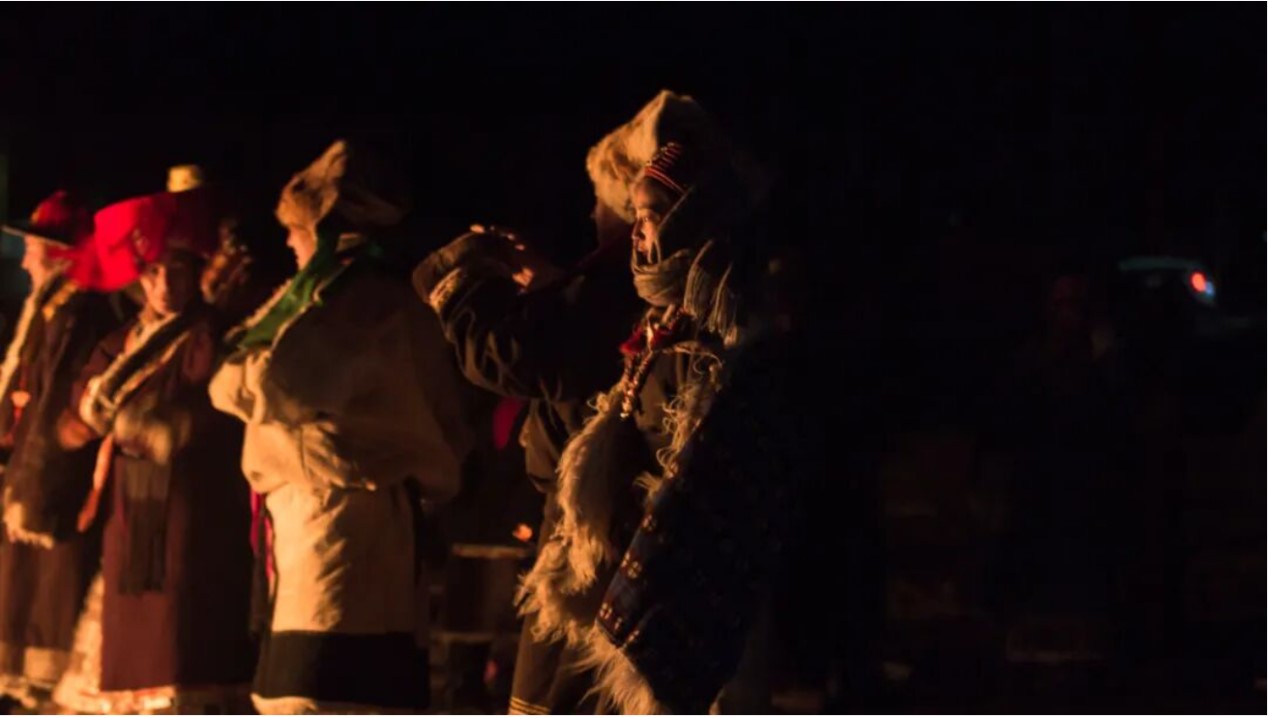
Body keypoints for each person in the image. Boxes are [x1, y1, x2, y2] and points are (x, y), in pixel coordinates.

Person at [515, 97, 805, 713]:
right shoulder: (661, 326)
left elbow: (717, 495)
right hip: (639, 591)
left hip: (700, 617)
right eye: (637, 214)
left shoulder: (730, 339)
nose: (637, 230)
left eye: (651, 214)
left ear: (692, 219)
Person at [413, 91, 698, 714]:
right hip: (594, 542)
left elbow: (516, 354)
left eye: (606, 202)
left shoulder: (628, 282)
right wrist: (549, 286)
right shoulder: (627, 284)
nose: (595, 214)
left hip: (597, 549)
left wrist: (459, 282)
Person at [209, 140, 474, 713]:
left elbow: (262, 384)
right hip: (354, 529)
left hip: (336, 531)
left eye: (295, 230)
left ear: (322, 230)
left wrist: (246, 375)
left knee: (319, 697)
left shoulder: (349, 302)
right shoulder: (388, 298)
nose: (287, 242)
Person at [51, 186, 255, 714]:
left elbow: (209, 407)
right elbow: (78, 409)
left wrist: (153, 426)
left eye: (178, 272)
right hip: (129, 508)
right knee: (129, 617)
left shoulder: (207, 335)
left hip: (192, 507)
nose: (166, 284)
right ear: (140, 278)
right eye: (156, 272)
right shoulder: (123, 341)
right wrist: (94, 422)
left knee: (180, 625)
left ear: (196, 275)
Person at [0, 191, 121, 708]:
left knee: (50, 600)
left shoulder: (76, 314)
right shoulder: (50, 308)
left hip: (56, 486)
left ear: (56, 252)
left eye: (33, 246)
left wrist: (34, 486)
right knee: (25, 596)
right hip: (29, 476)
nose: (26, 257)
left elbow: (54, 409)